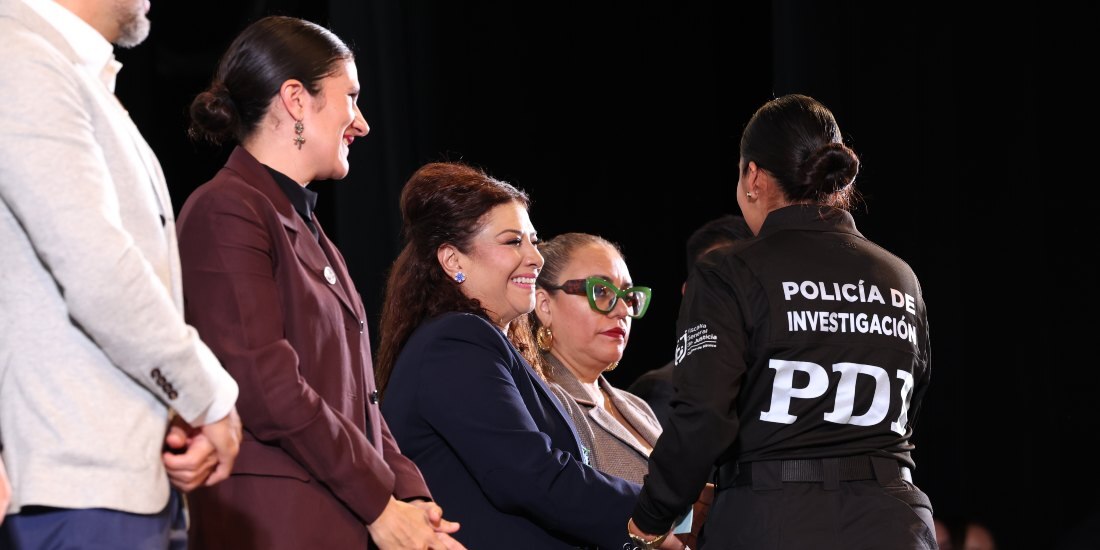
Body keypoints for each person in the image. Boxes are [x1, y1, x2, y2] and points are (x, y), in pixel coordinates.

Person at [177, 16, 462, 550]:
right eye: (350, 97)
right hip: (277, 526)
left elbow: (359, 397)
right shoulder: (226, 210)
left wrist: (409, 495)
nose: (362, 123)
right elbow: (268, 388)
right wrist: (380, 502)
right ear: (295, 100)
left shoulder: (305, 225)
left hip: (333, 517)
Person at [628, 94, 937, 550]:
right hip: (894, 522)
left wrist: (649, 518)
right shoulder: (899, 275)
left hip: (775, 519)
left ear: (752, 176)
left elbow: (703, 416)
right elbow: (908, 403)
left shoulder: (727, 271)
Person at [0, 0, 243, 547]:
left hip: (123, 487)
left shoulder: (63, 67)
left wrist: (177, 405)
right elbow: (98, 269)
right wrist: (206, 397)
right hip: (80, 490)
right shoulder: (21, 58)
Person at [376, 161, 680, 549]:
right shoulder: (455, 340)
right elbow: (529, 475)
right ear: (453, 261)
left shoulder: (483, 344)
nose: (535, 257)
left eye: (533, 241)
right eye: (512, 241)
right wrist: (651, 521)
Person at [526, 232, 660, 485]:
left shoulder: (640, 408)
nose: (622, 310)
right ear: (544, 305)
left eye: (628, 296)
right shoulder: (540, 402)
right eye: (600, 291)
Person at [628, 215, 753, 430]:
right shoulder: (662, 390)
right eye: (724, 281)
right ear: (690, 293)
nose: (739, 295)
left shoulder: (786, 378)